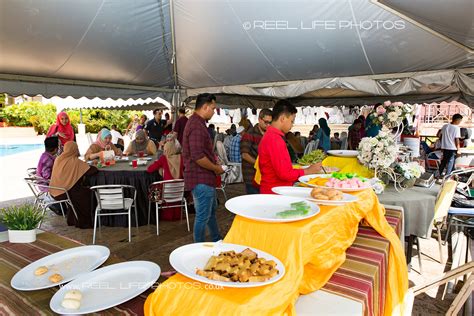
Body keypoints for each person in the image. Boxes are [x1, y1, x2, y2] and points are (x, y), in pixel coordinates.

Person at [182, 93, 223, 242]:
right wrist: (215, 168)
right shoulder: (196, 125)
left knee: (210, 212)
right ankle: (197, 246)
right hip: (200, 178)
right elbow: (198, 156)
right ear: (205, 107)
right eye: (213, 108)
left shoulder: (197, 123)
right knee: (202, 216)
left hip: (204, 178)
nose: (214, 112)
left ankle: (216, 239)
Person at [258, 100, 322, 194]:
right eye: (292, 121)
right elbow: (284, 174)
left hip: (274, 190)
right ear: (283, 118)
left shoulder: (271, 136)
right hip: (275, 193)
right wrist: (307, 171)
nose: (292, 125)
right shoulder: (274, 139)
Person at [49, 142, 98, 228]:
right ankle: (84, 222)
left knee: (77, 189)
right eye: (76, 148)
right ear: (73, 149)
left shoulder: (59, 158)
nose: (77, 150)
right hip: (63, 192)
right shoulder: (74, 161)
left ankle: (72, 219)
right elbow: (92, 170)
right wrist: (93, 165)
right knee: (88, 193)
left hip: (54, 190)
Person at [240, 109, 272, 194]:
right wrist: (259, 164)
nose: (268, 125)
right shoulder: (249, 134)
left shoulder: (269, 134)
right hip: (251, 176)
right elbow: (244, 155)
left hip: (265, 176)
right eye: (266, 122)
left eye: (270, 123)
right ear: (259, 119)